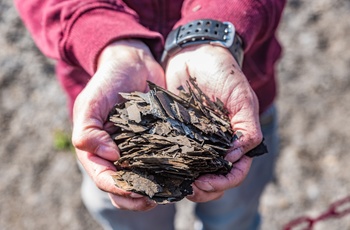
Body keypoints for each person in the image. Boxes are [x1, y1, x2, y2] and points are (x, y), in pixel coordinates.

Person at [15, 1, 286, 229]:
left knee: (234, 217)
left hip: (233, 107)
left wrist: (212, 34)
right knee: (127, 212)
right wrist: (106, 39)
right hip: (109, 115)